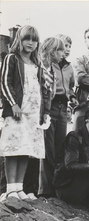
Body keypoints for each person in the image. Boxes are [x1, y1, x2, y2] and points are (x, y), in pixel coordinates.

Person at [0, 25, 50, 200]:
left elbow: (44, 88)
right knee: (13, 148)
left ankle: (19, 187)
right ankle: (10, 188)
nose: (30, 43)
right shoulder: (12, 58)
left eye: (34, 40)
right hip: (17, 111)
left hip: (33, 114)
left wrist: (45, 112)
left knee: (25, 148)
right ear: (19, 40)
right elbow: (5, 82)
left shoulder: (38, 64)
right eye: (27, 39)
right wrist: (13, 104)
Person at [39, 35, 78, 197]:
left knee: (59, 146)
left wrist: (73, 97)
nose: (65, 51)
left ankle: (56, 188)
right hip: (49, 107)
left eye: (67, 47)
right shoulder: (46, 66)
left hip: (63, 108)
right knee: (47, 148)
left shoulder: (69, 67)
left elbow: (70, 87)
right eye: (62, 48)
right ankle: (45, 189)